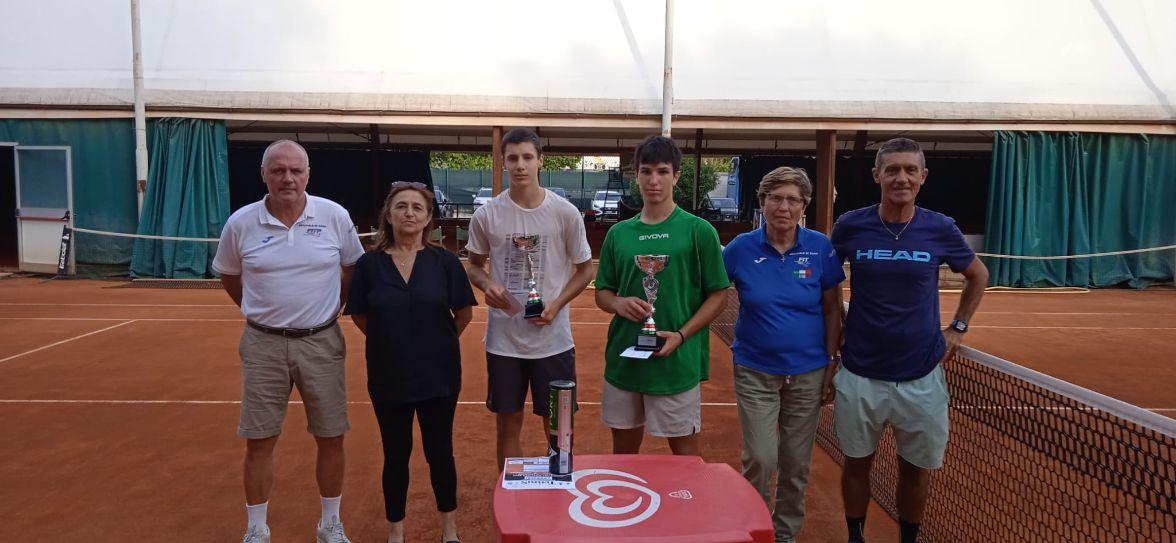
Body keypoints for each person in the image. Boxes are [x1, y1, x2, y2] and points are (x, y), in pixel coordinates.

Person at [830, 137, 988, 543]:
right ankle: (856, 537)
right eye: (893, 169)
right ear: (876, 175)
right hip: (860, 371)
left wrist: (959, 327)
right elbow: (828, 282)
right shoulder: (851, 225)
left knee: (914, 469)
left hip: (921, 375)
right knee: (855, 464)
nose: (901, 177)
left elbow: (978, 275)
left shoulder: (940, 228)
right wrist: (834, 333)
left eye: (910, 170)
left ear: (923, 177)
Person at [213, 140, 363, 543]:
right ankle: (256, 529)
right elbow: (229, 274)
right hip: (263, 345)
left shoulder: (334, 216)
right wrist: (258, 311)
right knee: (260, 439)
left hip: (321, 343)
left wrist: (332, 309)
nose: (287, 178)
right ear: (263, 174)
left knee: (331, 435)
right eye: (278, 170)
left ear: (308, 174)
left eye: (296, 170)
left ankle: (330, 524)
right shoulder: (241, 223)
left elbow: (351, 268)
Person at [345, 182, 476, 543]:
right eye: (401, 206)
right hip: (389, 377)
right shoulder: (369, 265)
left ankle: (449, 530)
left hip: (440, 376)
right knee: (396, 455)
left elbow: (462, 314)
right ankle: (396, 533)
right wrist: (392, 343)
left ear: (428, 218)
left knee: (440, 452)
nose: (409, 213)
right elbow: (360, 316)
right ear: (388, 214)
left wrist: (435, 345)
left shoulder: (445, 262)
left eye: (417, 208)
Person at [722, 167, 844, 543]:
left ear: (803, 206)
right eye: (775, 198)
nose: (784, 207)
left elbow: (832, 308)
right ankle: (757, 529)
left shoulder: (820, 247)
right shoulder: (740, 248)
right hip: (755, 370)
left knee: (795, 463)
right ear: (762, 203)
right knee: (760, 458)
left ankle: (785, 534)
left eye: (793, 199)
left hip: (808, 373)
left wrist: (832, 361)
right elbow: (712, 295)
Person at [464, 128, 595, 468]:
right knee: (508, 424)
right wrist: (487, 284)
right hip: (504, 342)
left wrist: (556, 304)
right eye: (512, 158)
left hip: (553, 341)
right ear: (503, 162)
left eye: (527, 157)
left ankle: (561, 483)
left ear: (540, 160)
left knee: (559, 425)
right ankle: (512, 495)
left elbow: (584, 270)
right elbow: (474, 266)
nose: (520, 165)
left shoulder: (565, 213)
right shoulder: (487, 214)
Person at [594, 135, 730, 456]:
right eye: (646, 171)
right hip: (625, 362)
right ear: (636, 175)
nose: (654, 180)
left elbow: (719, 296)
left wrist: (682, 335)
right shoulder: (618, 233)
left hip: (676, 366)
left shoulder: (699, 231)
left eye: (663, 171)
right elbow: (602, 293)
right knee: (624, 457)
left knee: (685, 460)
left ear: (676, 176)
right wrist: (618, 302)